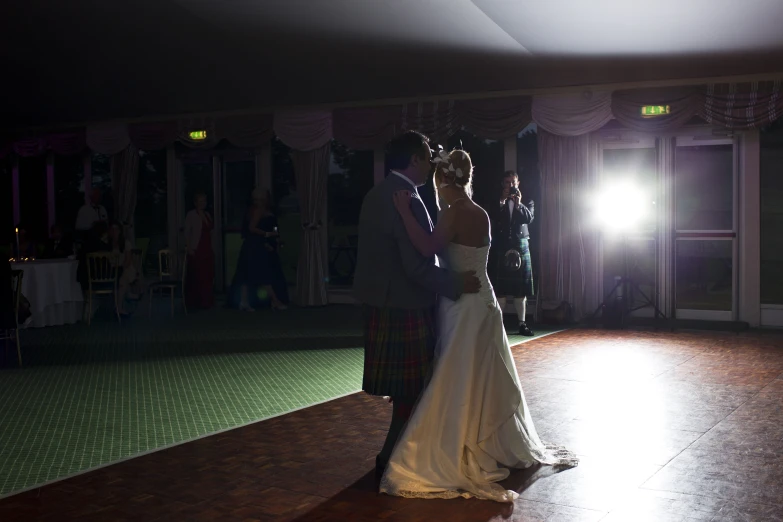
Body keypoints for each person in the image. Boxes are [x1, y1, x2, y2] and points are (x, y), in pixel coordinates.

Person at [380, 148, 577, 503]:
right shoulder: (481, 212)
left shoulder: (453, 213)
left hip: (462, 304)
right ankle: (489, 440)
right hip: (485, 300)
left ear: (442, 179)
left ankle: (459, 443)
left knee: (456, 373)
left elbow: (426, 248)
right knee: (485, 373)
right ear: (466, 178)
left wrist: (402, 212)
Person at [353, 130, 481, 481]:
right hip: (406, 305)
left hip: (382, 303)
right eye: (427, 158)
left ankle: (397, 454)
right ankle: (391, 458)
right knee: (412, 389)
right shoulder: (406, 197)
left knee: (405, 391)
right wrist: (456, 283)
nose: (430, 166)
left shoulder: (374, 194)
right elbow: (416, 266)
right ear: (414, 160)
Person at [489, 171, 536, 336]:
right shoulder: (497, 201)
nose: (510, 185)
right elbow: (492, 217)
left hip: (520, 244)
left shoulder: (527, 200)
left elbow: (528, 219)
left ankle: (522, 324)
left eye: (513, 182)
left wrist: (518, 204)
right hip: (502, 244)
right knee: (500, 289)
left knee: (520, 290)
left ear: (518, 183)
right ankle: (498, 324)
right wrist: (502, 201)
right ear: (503, 184)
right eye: (507, 182)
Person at [232, 188, 288, 311]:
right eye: (256, 199)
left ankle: (245, 301)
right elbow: (252, 228)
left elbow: (273, 227)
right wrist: (267, 235)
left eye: (261, 198)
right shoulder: (257, 210)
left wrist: (275, 237)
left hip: (260, 245)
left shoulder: (266, 210)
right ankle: (274, 301)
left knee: (249, 274)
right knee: (262, 274)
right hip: (256, 246)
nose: (259, 201)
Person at [184, 193, 215, 309]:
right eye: (200, 201)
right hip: (197, 248)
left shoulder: (207, 215)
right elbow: (187, 233)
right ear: (195, 202)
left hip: (207, 248)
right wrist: (189, 248)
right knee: (197, 275)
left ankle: (206, 301)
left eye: (204, 201)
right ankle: (195, 302)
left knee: (207, 275)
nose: (202, 203)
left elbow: (211, 232)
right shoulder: (191, 215)